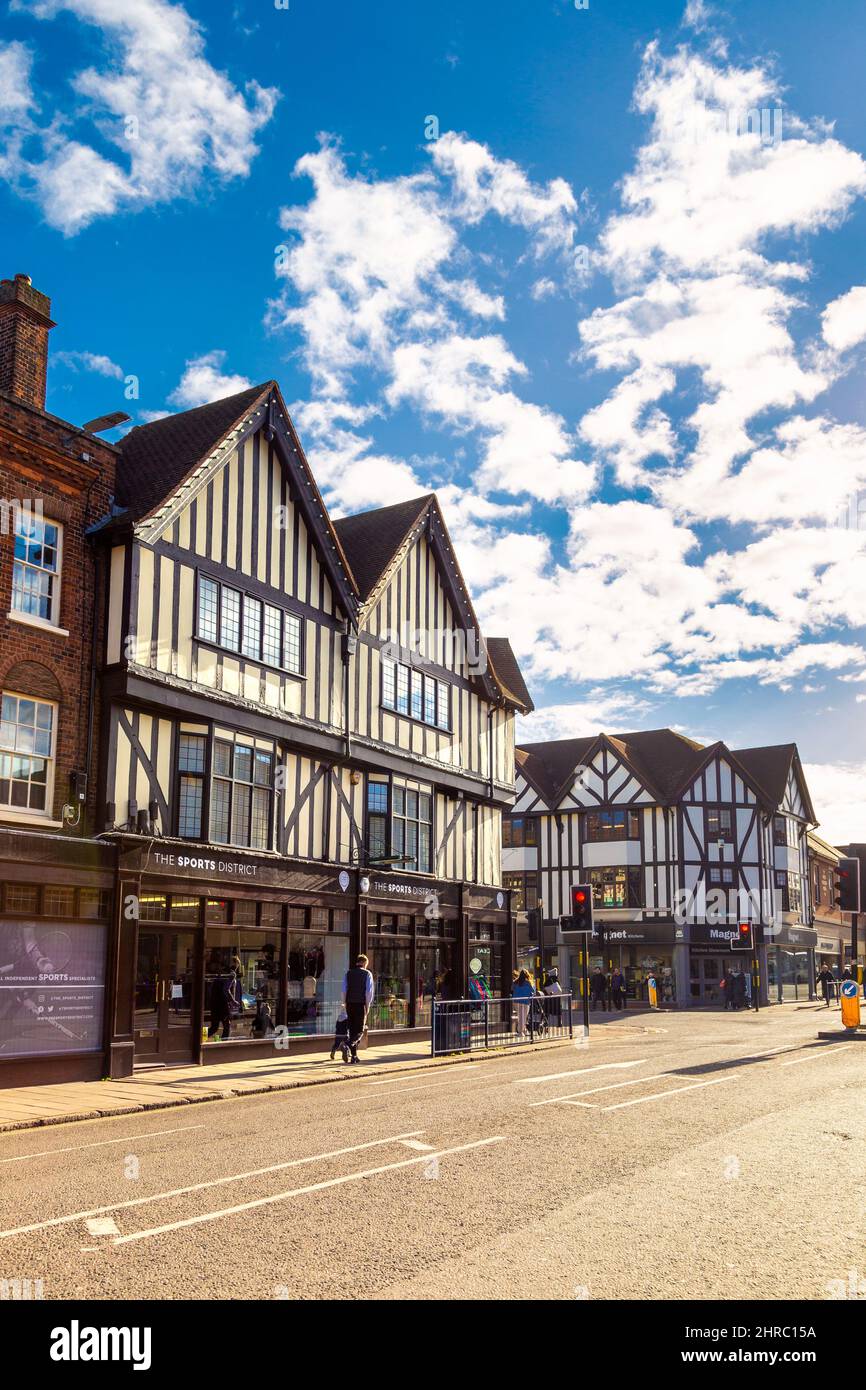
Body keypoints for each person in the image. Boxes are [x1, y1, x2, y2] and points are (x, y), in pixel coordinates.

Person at [342, 953, 374, 1063]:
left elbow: (344, 990)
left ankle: (354, 1056)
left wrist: (344, 1003)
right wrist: (367, 1006)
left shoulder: (348, 973)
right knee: (359, 1031)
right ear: (364, 963)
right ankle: (347, 1044)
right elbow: (368, 992)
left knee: (352, 1030)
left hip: (349, 1004)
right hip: (360, 1004)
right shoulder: (367, 974)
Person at [513, 969, 536, 1036]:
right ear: (527, 975)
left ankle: (524, 1030)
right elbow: (533, 992)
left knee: (520, 1016)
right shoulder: (529, 983)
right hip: (525, 1001)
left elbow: (512, 989)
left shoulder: (515, 982)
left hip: (516, 1001)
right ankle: (520, 1032)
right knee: (523, 1017)